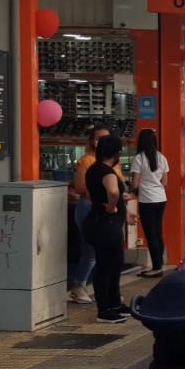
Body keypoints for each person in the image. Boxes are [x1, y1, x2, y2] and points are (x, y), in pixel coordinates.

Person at [82, 134, 135, 323]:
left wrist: (121, 205)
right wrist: (113, 206)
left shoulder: (93, 170)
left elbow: (91, 195)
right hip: (106, 225)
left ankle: (114, 304)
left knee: (113, 265)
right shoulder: (107, 172)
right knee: (107, 267)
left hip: (98, 222)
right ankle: (104, 310)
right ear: (118, 153)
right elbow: (112, 191)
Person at [68, 126, 112, 304]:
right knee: (92, 250)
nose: (103, 142)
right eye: (100, 138)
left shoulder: (110, 162)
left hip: (105, 210)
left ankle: (104, 290)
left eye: (107, 138)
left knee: (99, 251)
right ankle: (79, 286)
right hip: (89, 208)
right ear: (92, 141)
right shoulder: (86, 161)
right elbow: (80, 187)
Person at [130, 129, 169, 277]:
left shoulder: (139, 158)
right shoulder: (162, 158)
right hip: (161, 198)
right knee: (158, 232)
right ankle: (159, 264)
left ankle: (156, 267)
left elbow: (134, 183)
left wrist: (136, 188)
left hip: (147, 200)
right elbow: (165, 182)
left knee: (150, 233)